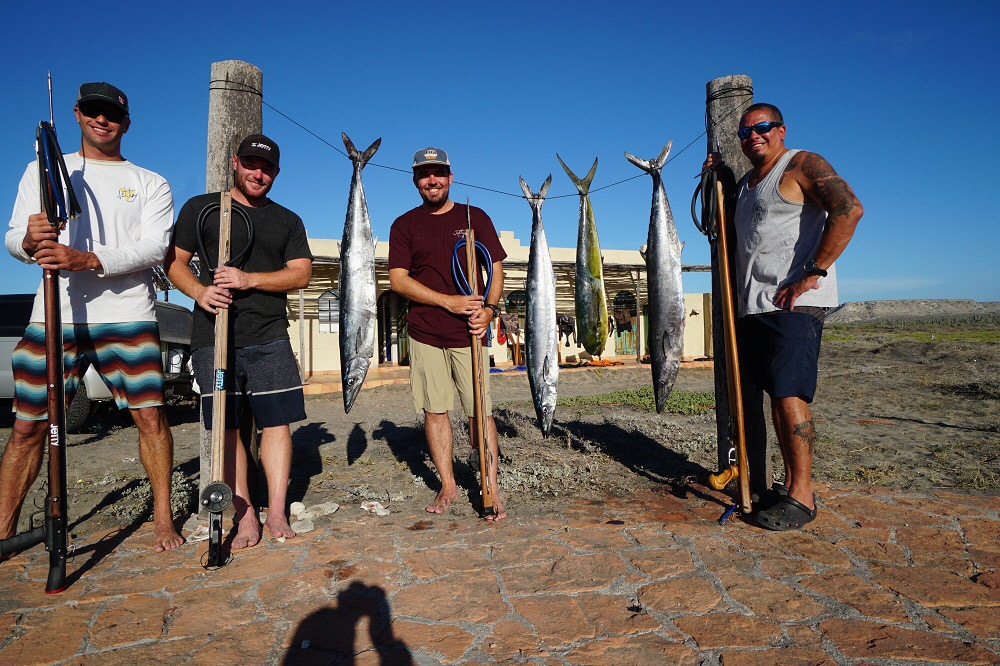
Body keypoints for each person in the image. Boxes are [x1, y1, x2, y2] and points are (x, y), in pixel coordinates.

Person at [1, 82, 184, 553]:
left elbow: (153, 248)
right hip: (53, 316)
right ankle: (3, 530)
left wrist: (86, 259)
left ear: (127, 122)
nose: (103, 121)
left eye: (114, 115)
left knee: (150, 418)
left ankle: (163, 519)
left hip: (127, 315)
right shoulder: (41, 170)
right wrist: (28, 240)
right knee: (27, 426)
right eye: (94, 112)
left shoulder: (150, 182)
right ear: (78, 114)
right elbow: (14, 238)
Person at [706, 103, 864, 530]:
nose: (753, 136)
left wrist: (812, 272)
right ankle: (775, 484)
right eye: (745, 133)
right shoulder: (746, 184)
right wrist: (718, 178)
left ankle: (802, 497)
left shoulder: (800, 164)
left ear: (780, 129)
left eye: (762, 128)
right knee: (765, 400)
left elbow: (848, 210)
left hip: (793, 306)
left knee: (789, 395)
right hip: (753, 306)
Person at [165, 133, 312, 549]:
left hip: (269, 337)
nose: (258, 173)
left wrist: (250, 279)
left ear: (276, 173)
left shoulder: (287, 220)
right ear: (235, 162)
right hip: (213, 337)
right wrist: (199, 292)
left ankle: (278, 510)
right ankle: (245, 515)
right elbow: (175, 263)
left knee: (276, 424)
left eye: (266, 168)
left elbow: (300, 273)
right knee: (227, 428)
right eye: (250, 164)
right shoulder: (202, 208)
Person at [388, 147, 508, 522]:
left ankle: (490, 485)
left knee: (479, 413)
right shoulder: (404, 225)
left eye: (438, 173)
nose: (432, 180)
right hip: (425, 333)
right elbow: (398, 280)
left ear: (450, 177)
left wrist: (488, 310)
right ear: (415, 180)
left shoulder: (475, 218)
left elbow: (497, 269)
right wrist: (448, 302)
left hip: (470, 335)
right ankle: (449, 484)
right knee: (435, 412)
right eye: (424, 174)